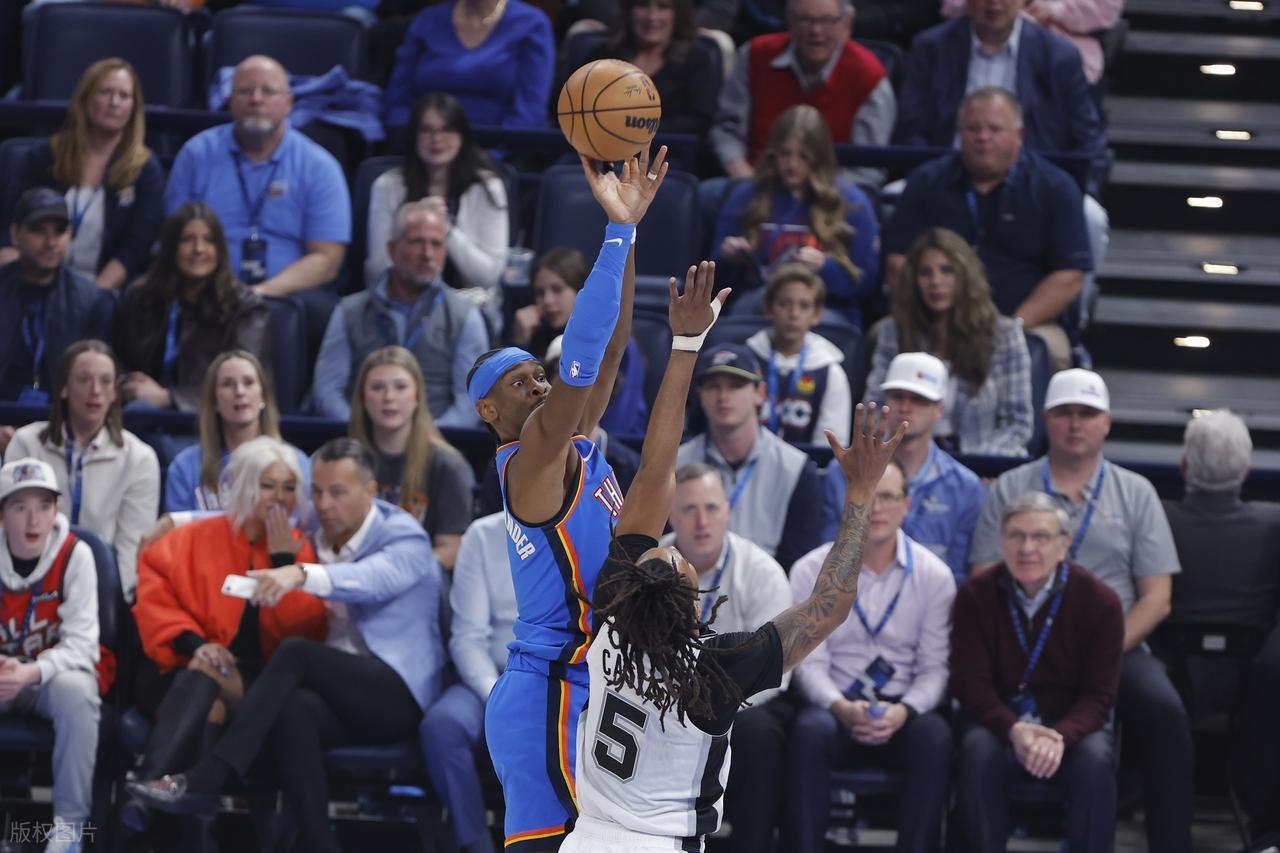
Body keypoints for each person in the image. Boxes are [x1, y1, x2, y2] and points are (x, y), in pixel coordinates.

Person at [565, 379, 905, 853]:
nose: (675, 551)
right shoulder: (712, 670)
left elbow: (653, 471)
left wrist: (684, 351)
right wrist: (862, 492)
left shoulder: (606, 631)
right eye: (679, 563)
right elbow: (830, 604)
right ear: (695, 608)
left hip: (585, 837)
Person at [469, 148, 666, 851]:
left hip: (591, 682)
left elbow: (609, 350)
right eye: (521, 382)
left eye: (539, 376)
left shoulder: (574, 444)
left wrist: (631, 231)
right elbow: (580, 359)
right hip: (547, 692)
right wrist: (612, 233)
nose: (540, 385)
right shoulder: (527, 465)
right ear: (490, 412)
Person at [127, 438, 444, 853]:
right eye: (317, 492)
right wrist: (175, 518)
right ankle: (317, 845)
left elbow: (370, 579)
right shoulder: (319, 526)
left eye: (337, 492)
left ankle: (208, 777)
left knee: (296, 653)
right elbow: (253, 509)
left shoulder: (404, 536)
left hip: (395, 693)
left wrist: (297, 572)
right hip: (337, 692)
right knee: (293, 709)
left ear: (369, 491)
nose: (324, 504)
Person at [969, 369, 1193, 853]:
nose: (1075, 424)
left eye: (1087, 414)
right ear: (1045, 420)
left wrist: (1102, 651)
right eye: (1064, 413)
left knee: (1165, 709)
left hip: (1117, 645)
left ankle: (1172, 843)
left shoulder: (1136, 492)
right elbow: (984, 575)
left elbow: (1157, 597)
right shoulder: (1009, 487)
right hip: (1021, 642)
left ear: (1107, 422)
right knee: (975, 727)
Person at [124, 437, 327, 832]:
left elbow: (304, 632)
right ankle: (195, 827)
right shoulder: (193, 538)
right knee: (209, 692)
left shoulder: (298, 555)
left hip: (254, 684)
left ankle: (146, 793)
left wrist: (283, 564)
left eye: (289, 488)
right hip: (176, 666)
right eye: (268, 486)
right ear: (245, 487)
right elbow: (152, 599)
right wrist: (197, 645)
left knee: (212, 674)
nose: (280, 498)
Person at [788, 459, 956, 853]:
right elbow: (807, 662)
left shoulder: (935, 576)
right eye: (867, 498)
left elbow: (934, 669)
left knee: (935, 737)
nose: (877, 508)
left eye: (889, 497)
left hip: (903, 710)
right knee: (808, 732)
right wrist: (840, 706)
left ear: (907, 505)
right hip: (834, 705)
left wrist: (905, 710)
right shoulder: (810, 569)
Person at [952, 491, 1124, 852]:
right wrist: (1013, 729)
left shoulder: (1101, 602)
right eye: (1016, 535)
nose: (1027, 548)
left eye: (1040, 537)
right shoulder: (974, 596)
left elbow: (1100, 695)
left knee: (1095, 758)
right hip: (1000, 722)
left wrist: (1058, 736)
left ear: (1064, 545)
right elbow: (971, 685)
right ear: (1001, 541)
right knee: (977, 749)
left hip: (1071, 726)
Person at [883, 89, 1092, 370]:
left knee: (1050, 352)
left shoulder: (1055, 188)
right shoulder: (926, 182)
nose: (982, 137)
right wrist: (930, 319)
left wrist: (1012, 328)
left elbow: (1069, 276)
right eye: (973, 129)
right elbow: (897, 258)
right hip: (933, 321)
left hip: (1026, 323)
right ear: (960, 134)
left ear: (1019, 134)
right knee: (882, 336)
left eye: (994, 129)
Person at [163, 54, 349, 341]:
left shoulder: (319, 166)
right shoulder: (196, 155)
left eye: (268, 91)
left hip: (288, 294)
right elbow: (176, 238)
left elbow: (327, 260)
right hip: (205, 285)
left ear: (288, 103)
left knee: (322, 312)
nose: (256, 99)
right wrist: (218, 288)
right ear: (229, 101)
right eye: (245, 91)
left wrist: (259, 293)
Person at [1161, 409, 1280, 837]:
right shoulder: (1274, 522)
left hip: (1170, 675)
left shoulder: (1157, 518)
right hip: (1255, 686)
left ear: (1183, 466)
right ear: (1246, 471)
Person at [663, 463, 793, 852]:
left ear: (728, 511)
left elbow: (778, 670)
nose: (702, 522)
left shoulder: (763, 573)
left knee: (759, 733)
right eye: (689, 509)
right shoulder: (652, 568)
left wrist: (713, 709)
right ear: (670, 514)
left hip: (742, 704)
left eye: (712, 508)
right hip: (664, 698)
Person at [6, 340, 160, 601]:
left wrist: (100, 602)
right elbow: (11, 531)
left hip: (103, 597)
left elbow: (131, 550)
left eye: (106, 381)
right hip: (28, 590)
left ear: (115, 392)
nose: (95, 390)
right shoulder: (26, 444)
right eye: (84, 380)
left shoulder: (140, 459)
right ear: (64, 388)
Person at [0, 458, 101, 853]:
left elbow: (83, 646)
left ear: (57, 510)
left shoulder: (77, 554)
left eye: (44, 506)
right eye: (20, 507)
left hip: (46, 679)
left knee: (79, 691)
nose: (33, 520)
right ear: (2, 515)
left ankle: (68, 832)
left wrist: (31, 672)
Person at [897, 0, 1107, 188]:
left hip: (1038, 187)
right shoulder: (931, 48)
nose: (994, 2)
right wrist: (931, 179)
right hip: (945, 181)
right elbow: (911, 129)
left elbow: (1088, 137)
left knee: (1091, 214)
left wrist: (1068, 188)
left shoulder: (1059, 55)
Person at [315, 201, 488, 427]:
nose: (427, 254)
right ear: (392, 249)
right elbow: (328, 391)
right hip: (361, 440)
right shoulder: (349, 311)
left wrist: (427, 439)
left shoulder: (464, 316)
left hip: (438, 439)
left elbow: (471, 399)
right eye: (417, 242)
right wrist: (362, 432)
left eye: (436, 244)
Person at [867, 228, 1034, 457]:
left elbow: (1017, 424)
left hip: (982, 465)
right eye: (925, 273)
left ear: (966, 276)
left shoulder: (1003, 334)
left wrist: (976, 466)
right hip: (905, 462)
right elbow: (874, 411)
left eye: (947, 270)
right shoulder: (893, 332)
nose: (935, 282)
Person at [0, 59, 164, 290]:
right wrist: (18, 285)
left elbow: (135, 249)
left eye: (124, 96)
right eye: (106, 92)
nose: (114, 102)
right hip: (31, 284)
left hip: (104, 293)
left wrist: (90, 299)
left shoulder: (145, 169)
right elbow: (9, 228)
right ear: (85, 98)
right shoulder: (44, 157)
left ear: (134, 108)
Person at [711, 105, 881, 327]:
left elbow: (866, 283)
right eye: (785, 154)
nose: (792, 164)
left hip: (825, 311)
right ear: (773, 153)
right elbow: (712, 277)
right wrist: (728, 257)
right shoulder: (747, 196)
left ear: (819, 158)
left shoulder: (851, 203)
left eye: (804, 156)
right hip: (759, 308)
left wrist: (825, 268)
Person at [827, 352, 984, 580]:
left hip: (932, 598)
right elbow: (825, 554)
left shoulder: (966, 487)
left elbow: (959, 575)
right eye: (897, 396)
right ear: (886, 402)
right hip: (853, 593)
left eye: (919, 399)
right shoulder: (843, 470)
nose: (906, 407)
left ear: (940, 409)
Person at [675, 343, 825, 569]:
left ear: (760, 393)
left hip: (769, 587)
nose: (723, 396)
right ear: (700, 394)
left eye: (736, 386)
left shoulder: (796, 468)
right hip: (686, 583)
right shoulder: (673, 465)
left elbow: (799, 564)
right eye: (713, 386)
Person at [710, 0, 895, 181]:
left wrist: (814, 193)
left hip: (832, 191)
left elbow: (867, 168)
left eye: (827, 20)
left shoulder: (870, 77)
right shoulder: (754, 55)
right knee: (709, 192)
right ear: (790, 21)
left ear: (847, 25)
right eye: (805, 20)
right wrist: (744, 176)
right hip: (754, 181)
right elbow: (727, 131)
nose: (816, 31)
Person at [114, 202, 269, 412]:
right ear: (170, 247)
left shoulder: (246, 307)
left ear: (220, 249)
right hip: (143, 411)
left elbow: (241, 384)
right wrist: (128, 384)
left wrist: (168, 398)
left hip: (214, 418)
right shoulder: (140, 296)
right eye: (187, 240)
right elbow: (117, 360)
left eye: (209, 240)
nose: (198, 249)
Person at [421, 512, 516, 853]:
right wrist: (497, 695)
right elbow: (467, 637)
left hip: (556, 680)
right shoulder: (483, 534)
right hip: (491, 676)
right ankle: (475, 844)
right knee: (442, 726)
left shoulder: (586, 526)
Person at [365, 92, 508, 295]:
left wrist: (444, 228)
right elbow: (378, 273)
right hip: (403, 302)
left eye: (447, 129)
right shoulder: (387, 186)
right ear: (414, 137)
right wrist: (412, 222)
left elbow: (488, 277)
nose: (437, 139)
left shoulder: (488, 188)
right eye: (426, 130)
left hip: (470, 304)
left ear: (462, 136)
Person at [348, 346, 476, 571]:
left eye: (400, 387)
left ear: (417, 396)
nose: (389, 397)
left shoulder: (448, 466)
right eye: (377, 387)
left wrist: (397, 574)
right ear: (362, 398)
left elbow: (451, 548)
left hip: (420, 582)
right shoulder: (346, 462)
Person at [510, 248, 650, 437]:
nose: (547, 301)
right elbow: (514, 409)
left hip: (611, 444)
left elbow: (621, 419)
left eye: (557, 290)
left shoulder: (616, 344)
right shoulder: (538, 336)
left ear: (581, 291)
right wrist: (520, 343)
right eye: (540, 293)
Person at [0, 188, 113, 403]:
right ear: (15, 234)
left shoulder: (92, 301)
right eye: (39, 230)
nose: (51, 242)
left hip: (63, 416)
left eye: (59, 231)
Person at [164, 351, 310, 514]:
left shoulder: (297, 463)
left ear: (263, 396)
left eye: (248, 382)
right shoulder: (184, 467)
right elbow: (178, 527)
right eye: (228, 384)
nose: (240, 391)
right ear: (214, 401)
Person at [382, 0, 555, 130]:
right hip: (424, 148)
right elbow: (397, 100)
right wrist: (411, 142)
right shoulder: (427, 20)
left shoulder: (531, 23)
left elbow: (530, 110)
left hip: (499, 149)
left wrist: (489, 155)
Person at [744, 263, 851, 446]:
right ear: (768, 308)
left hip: (808, 463)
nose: (794, 314)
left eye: (804, 305)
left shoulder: (831, 372)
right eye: (784, 304)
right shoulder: (746, 361)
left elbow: (830, 446)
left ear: (817, 314)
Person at [583, 0, 720, 135]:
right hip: (603, 144)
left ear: (678, 13)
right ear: (629, 11)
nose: (652, 16)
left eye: (663, 7)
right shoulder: (603, 56)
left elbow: (700, 121)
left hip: (670, 146)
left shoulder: (697, 59)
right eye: (642, 5)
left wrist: (632, 127)